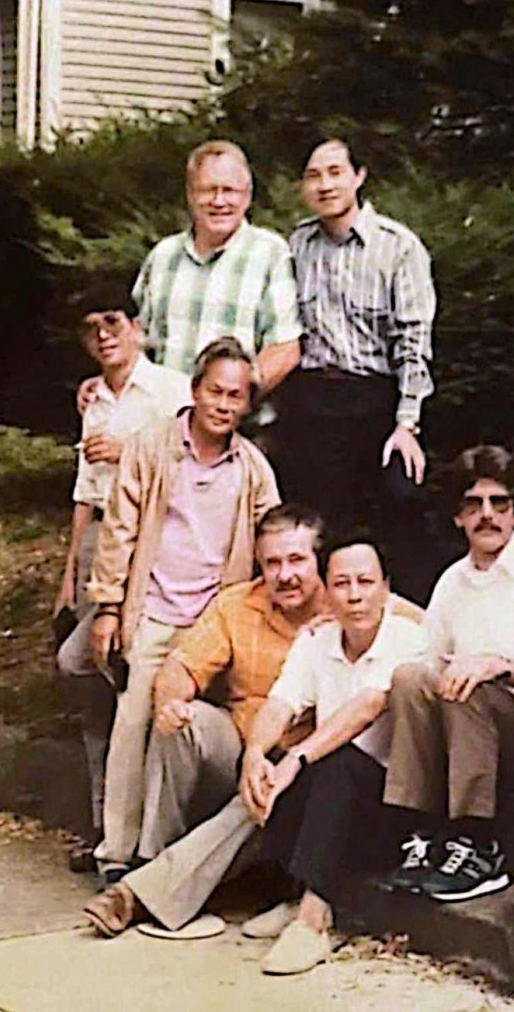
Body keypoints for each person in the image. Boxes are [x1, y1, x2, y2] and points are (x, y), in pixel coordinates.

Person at [80, 504, 327, 941]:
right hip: (240, 745)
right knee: (182, 721)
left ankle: (137, 893)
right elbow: (181, 666)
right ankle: (152, 858)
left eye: (297, 560)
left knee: (265, 789)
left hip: (301, 764)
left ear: (319, 561)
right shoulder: (238, 604)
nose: (284, 575)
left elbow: (414, 626)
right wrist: (171, 703)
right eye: (272, 563)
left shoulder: (345, 606)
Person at [86, 337, 279, 881]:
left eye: (236, 397)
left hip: (211, 622)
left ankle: (156, 855)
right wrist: (107, 607)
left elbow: (272, 539)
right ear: (195, 391)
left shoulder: (253, 468)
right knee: (133, 723)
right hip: (153, 611)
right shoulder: (151, 447)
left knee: (177, 733)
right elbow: (119, 530)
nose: (223, 405)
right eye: (215, 391)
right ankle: (115, 851)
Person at [379, 444, 514, 904]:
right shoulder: (451, 581)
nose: (487, 515)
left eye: (499, 503)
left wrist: (501, 668)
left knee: (470, 685)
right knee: (410, 677)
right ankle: (420, 833)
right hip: (469, 736)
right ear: (458, 518)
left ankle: (477, 843)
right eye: (473, 505)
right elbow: (428, 666)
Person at [239, 534, 428, 976]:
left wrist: (296, 758)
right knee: (276, 760)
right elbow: (281, 703)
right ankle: (296, 896)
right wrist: (254, 754)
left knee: (332, 764)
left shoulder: (408, 639)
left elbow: (366, 708)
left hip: (400, 807)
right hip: (339, 796)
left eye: (366, 582)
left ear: (386, 588)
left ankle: (314, 920)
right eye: (342, 584)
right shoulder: (317, 641)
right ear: (326, 590)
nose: (355, 595)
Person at [53, 279, 191, 869]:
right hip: (100, 545)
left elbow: (190, 463)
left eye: (113, 322)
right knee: (90, 683)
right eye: (91, 329)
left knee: (116, 673)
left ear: (137, 327)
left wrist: (130, 449)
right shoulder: (95, 400)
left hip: (150, 548)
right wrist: (70, 570)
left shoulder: (169, 390)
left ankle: (145, 833)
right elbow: (85, 491)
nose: (104, 336)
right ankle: (104, 823)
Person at [277, 135, 438, 599]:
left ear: (359, 176)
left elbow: (413, 341)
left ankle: (407, 625)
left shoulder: (397, 247)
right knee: (315, 526)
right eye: (313, 175)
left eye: (335, 172)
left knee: (397, 515)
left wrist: (407, 424)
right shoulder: (296, 246)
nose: (325, 185)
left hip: (375, 400)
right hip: (312, 401)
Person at [132, 140, 304, 392]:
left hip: (238, 414)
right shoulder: (162, 257)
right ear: (190, 194)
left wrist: (233, 399)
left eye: (230, 190)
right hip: (164, 411)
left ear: (247, 195)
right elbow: (136, 341)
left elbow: (284, 349)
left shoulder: (270, 254)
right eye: (208, 190)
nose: (219, 201)